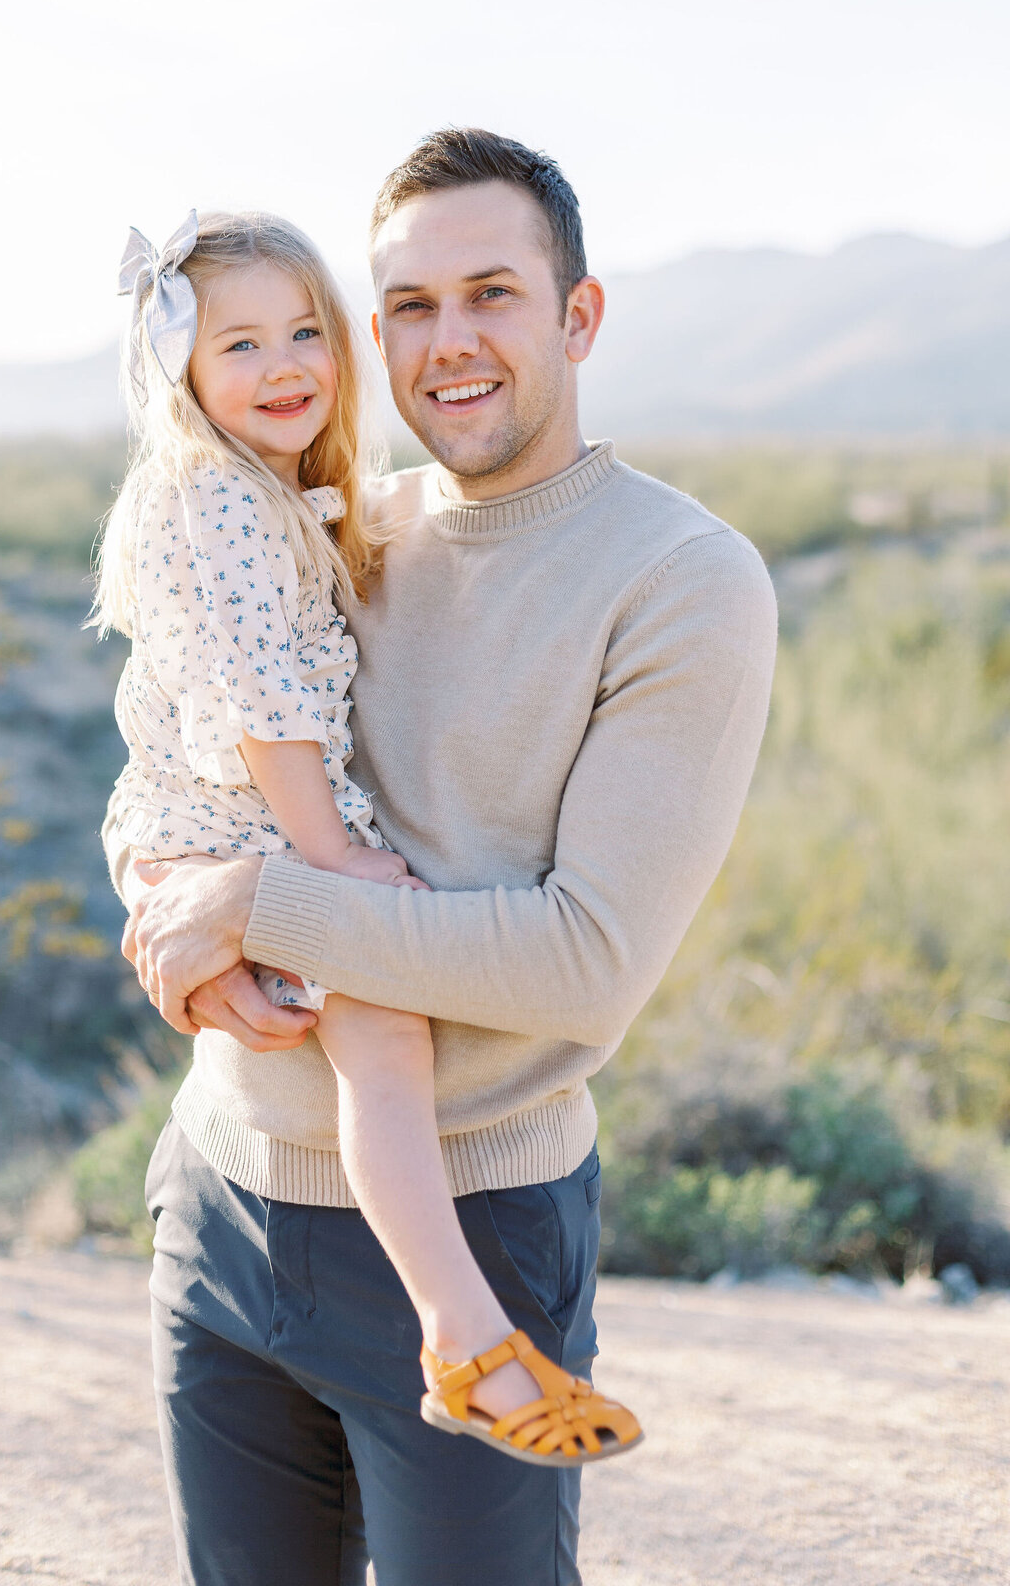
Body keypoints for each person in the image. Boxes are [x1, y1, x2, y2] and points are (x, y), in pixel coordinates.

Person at [110, 129, 779, 1586]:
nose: (448, 341)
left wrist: (258, 904)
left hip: (473, 1221)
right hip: (221, 1198)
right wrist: (163, 922)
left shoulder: (681, 579)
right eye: (410, 304)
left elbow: (581, 960)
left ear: (577, 315)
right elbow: (191, 744)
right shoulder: (340, 526)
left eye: (492, 293)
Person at [95, 206, 640, 1467]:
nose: (284, 365)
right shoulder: (226, 503)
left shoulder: (258, 492)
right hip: (259, 820)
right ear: (179, 370)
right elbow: (267, 710)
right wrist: (326, 866)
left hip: (223, 822)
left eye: (305, 332)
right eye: (239, 346)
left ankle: (461, 1339)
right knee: (388, 1048)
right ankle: (464, 1340)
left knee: (382, 1055)